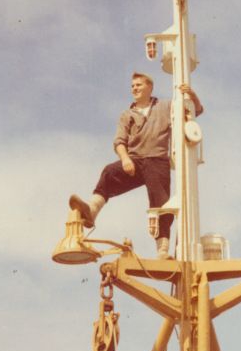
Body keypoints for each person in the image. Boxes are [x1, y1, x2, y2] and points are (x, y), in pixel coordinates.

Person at [69, 72, 203, 259]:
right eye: (132, 86)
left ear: (150, 87)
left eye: (139, 85)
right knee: (108, 172)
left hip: (157, 161)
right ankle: (91, 211)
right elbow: (119, 141)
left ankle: (162, 251)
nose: (134, 88)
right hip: (134, 161)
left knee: (161, 204)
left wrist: (192, 94)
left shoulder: (166, 106)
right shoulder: (127, 114)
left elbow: (195, 110)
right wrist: (125, 159)